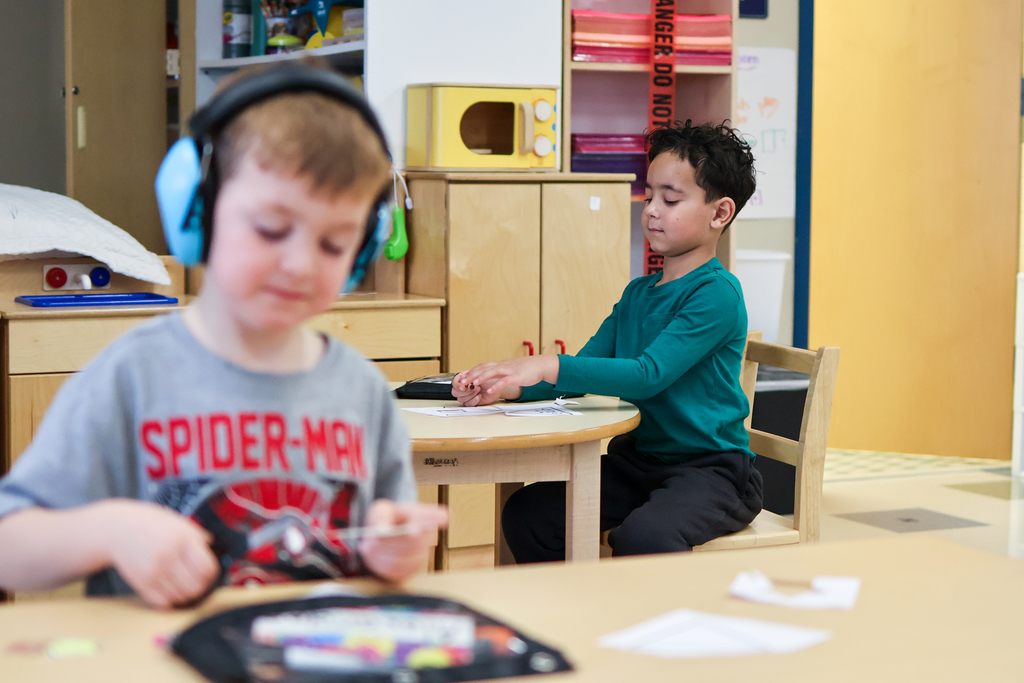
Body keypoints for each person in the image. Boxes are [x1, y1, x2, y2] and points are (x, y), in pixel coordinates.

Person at [0, 62, 446, 608]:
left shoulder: (365, 392)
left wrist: (393, 549)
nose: (300, 264)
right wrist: (111, 530)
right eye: (270, 229)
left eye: (334, 244)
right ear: (197, 212)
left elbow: (382, 540)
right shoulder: (131, 376)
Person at [453, 120, 761, 562]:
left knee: (644, 538)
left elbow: (647, 375)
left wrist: (545, 364)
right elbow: (581, 371)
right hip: (638, 463)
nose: (652, 209)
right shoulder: (638, 294)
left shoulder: (716, 294)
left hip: (710, 470)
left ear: (720, 213)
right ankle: (573, 618)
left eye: (670, 199)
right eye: (649, 195)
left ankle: (654, 627)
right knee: (529, 512)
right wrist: (509, 386)